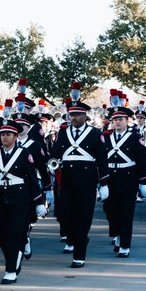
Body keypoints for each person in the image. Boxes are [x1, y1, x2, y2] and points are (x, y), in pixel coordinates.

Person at [49, 83, 108, 268]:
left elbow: (102, 160)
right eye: (71, 115)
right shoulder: (63, 133)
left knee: (83, 215)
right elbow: (55, 153)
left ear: (85, 116)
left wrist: (104, 183)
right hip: (67, 178)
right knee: (66, 214)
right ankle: (75, 238)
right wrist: (52, 166)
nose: (72, 118)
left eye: (76, 115)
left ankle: (79, 254)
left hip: (87, 179)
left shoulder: (95, 133)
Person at [0, 118, 45, 283]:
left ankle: (10, 270)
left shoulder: (24, 153)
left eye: (8, 134)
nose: (5, 137)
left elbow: (32, 179)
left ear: (15, 136)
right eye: (3, 134)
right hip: (1, 198)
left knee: (14, 233)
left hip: (20, 199)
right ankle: (17, 253)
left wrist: (39, 202)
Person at [102, 100, 146, 257]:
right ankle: (117, 233)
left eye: (120, 119)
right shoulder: (106, 137)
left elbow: (143, 161)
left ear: (127, 120)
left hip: (129, 178)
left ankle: (125, 245)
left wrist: (143, 182)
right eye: (115, 120)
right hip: (111, 178)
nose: (117, 122)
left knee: (126, 212)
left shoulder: (135, 137)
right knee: (110, 210)